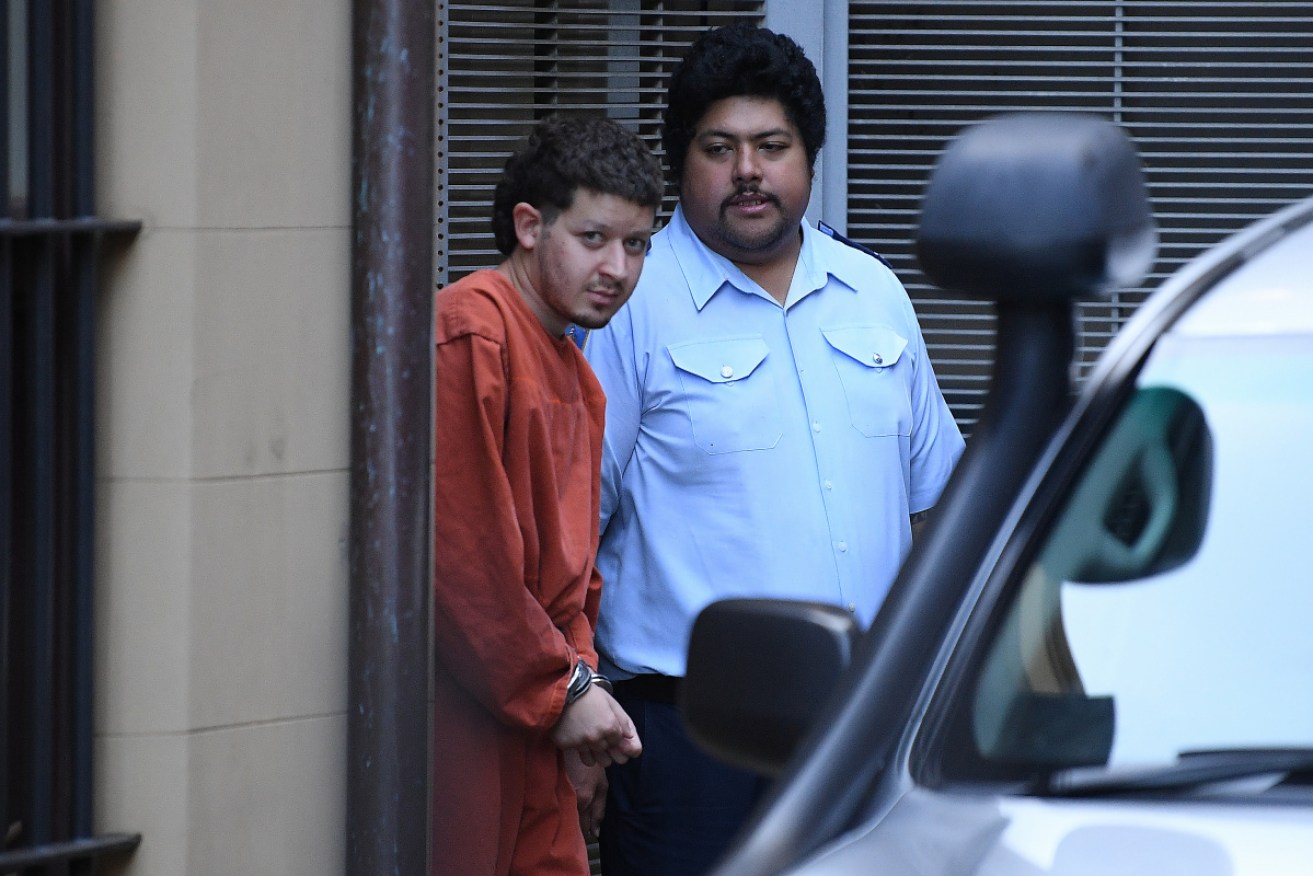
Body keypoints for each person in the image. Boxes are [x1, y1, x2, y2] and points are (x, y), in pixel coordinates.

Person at [583, 23, 967, 875]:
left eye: (772, 146)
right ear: (681, 160)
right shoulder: (633, 302)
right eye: (719, 147)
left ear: (809, 157)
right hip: (689, 741)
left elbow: (934, 501)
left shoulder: (872, 291)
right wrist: (577, 696)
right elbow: (572, 525)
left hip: (868, 725)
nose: (748, 171)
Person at [431, 114, 664, 875]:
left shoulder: (578, 375)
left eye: (636, 246)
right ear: (529, 226)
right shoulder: (471, 332)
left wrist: (579, 698)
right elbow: (462, 560)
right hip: (461, 708)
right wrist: (565, 692)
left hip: (539, 711)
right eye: (593, 238)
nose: (618, 268)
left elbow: (575, 581)